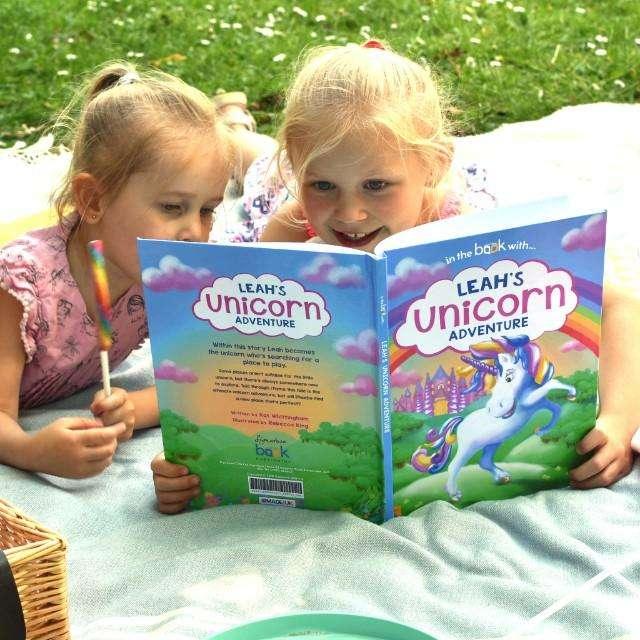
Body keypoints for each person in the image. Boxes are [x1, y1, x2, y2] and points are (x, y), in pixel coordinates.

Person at [152, 42, 638, 513]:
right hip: (276, 190)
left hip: (436, 200)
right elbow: (245, 357)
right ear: (299, 173)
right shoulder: (291, 223)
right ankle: (236, 132)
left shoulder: (470, 230)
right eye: (322, 184)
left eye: (377, 185)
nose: (350, 212)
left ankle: (241, 131)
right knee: (257, 164)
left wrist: (618, 422)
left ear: (433, 166)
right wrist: (197, 457)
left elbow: (622, 304)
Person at [0, 61, 273, 479]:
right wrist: (31, 451)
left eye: (207, 210)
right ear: (93, 200)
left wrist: (132, 409)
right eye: (172, 207)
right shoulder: (21, 288)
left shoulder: (163, 276)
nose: (194, 232)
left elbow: (201, 378)